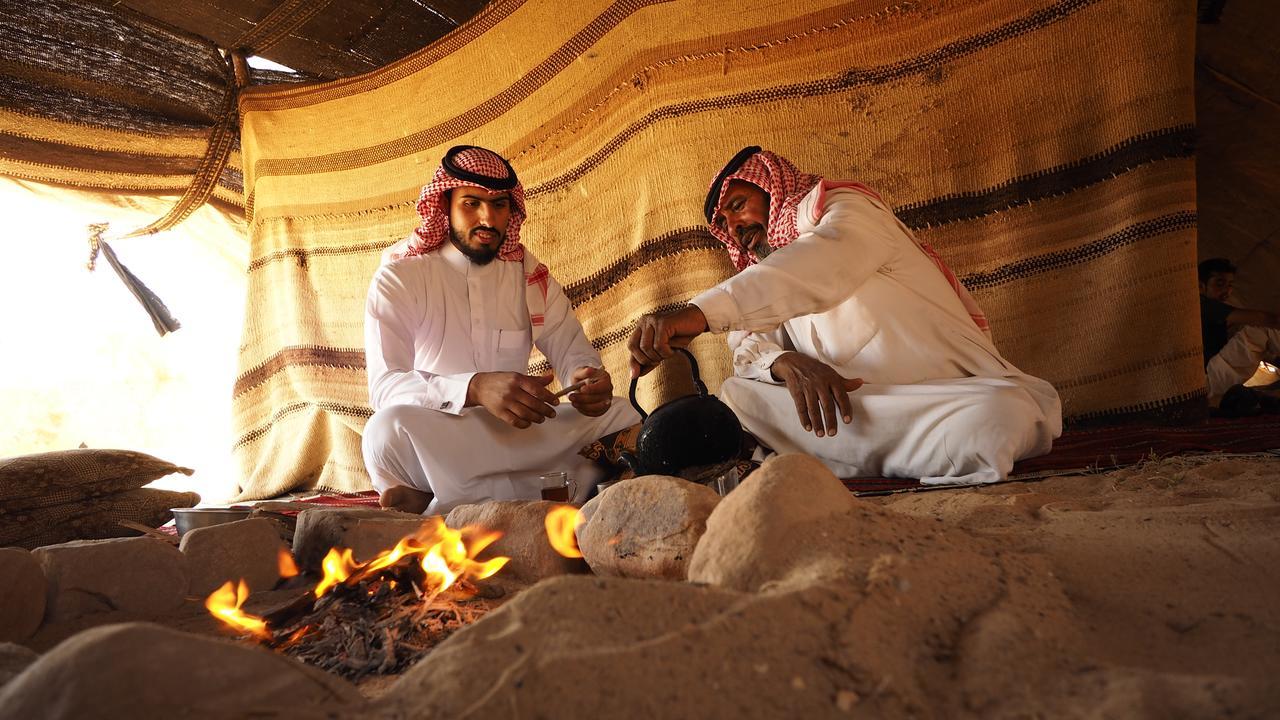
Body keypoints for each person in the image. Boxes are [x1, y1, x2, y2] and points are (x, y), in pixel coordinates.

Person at [628, 147, 1062, 485]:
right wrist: (783, 363)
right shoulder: (765, 270)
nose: (737, 226)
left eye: (739, 205)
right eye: (727, 221)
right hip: (855, 409)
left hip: (945, 397)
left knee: (999, 417)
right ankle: (877, 454)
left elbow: (814, 267)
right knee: (740, 393)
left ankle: (843, 459)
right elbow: (746, 343)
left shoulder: (848, 212)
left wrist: (699, 314)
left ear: (774, 188)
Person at [362, 145, 640, 514]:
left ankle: (441, 502)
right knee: (385, 433)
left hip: (521, 431)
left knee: (621, 416)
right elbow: (386, 387)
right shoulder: (401, 276)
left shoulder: (529, 276)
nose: (488, 219)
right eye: (472, 203)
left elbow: (572, 348)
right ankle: (549, 494)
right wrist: (474, 388)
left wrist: (586, 379)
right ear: (444, 205)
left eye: (499, 205)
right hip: (446, 433)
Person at [1198, 258, 1280, 407]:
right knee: (1262, 329)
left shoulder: (1210, 312)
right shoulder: (1202, 304)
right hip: (1206, 381)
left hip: (1210, 381)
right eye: (1220, 284)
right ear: (1200, 286)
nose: (1227, 291)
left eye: (1230, 285)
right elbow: (1264, 319)